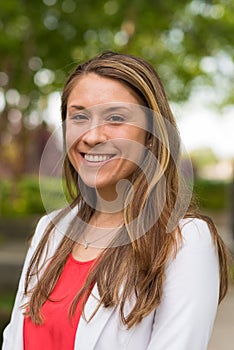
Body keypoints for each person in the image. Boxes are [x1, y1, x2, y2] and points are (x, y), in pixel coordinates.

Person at [2, 51, 229, 350]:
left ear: (151, 135)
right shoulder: (50, 228)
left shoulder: (185, 242)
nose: (93, 136)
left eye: (116, 118)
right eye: (79, 116)